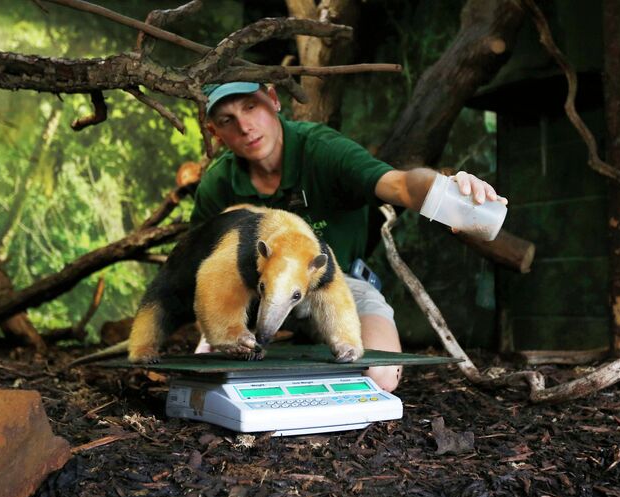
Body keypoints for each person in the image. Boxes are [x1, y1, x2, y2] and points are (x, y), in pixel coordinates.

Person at [189, 82, 504, 392]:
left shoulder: (323, 150)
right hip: (255, 292)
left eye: (250, 107)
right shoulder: (217, 184)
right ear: (214, 131)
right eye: (227, 120)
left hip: (339, 285)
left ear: (273, 99)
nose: (244, 127)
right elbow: (202, 269)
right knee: (209, 378)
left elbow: (399, 185)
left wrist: (448, 189)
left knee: (381, 377)